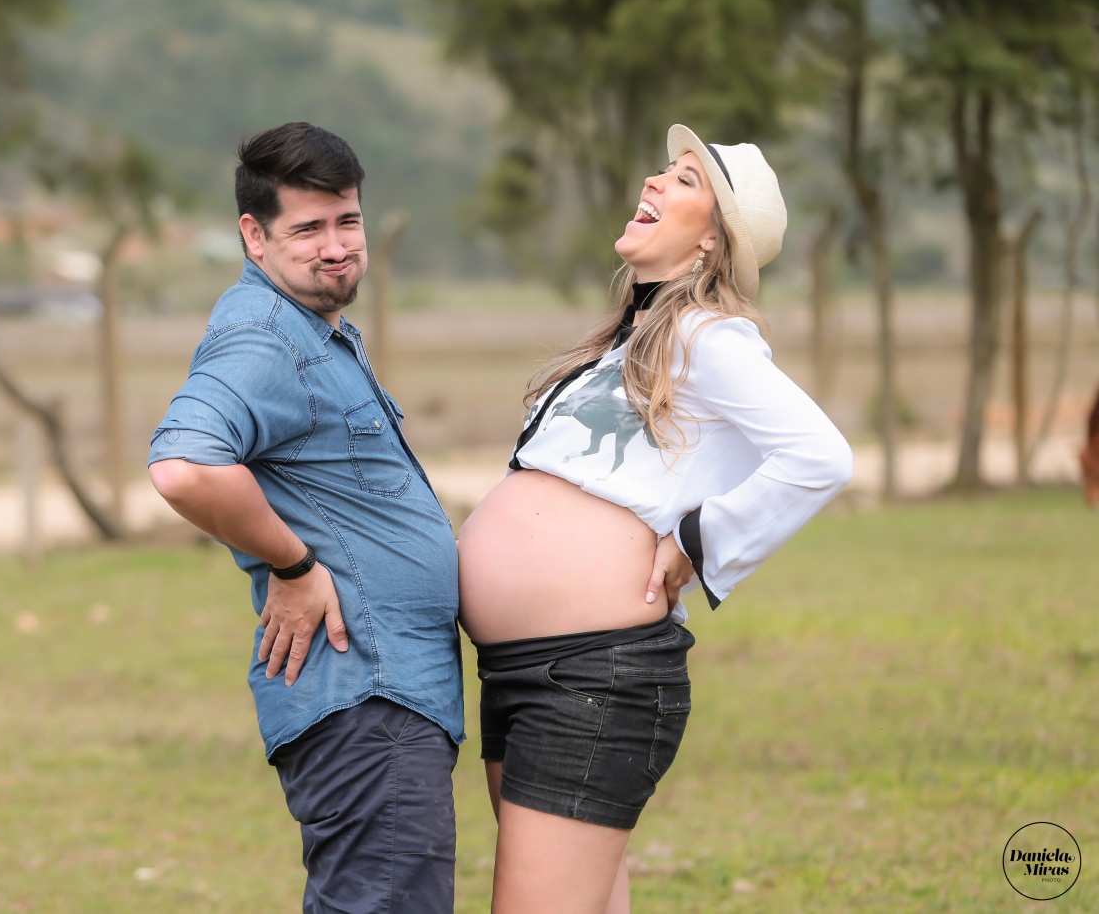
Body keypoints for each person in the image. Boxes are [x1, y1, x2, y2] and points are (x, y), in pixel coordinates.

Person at [457, 124, 854, 914]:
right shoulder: (620, 346)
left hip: (590, 676)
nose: (654, 181)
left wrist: (700, 541)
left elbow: (821, 456)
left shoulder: (710, 336)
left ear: (712, 239)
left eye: (685, 180)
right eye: (664, 170)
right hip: (522, 669)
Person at [147, 122, 463, 913]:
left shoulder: (310, 331)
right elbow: (184, 467)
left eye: (348, 220)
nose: (337, 246)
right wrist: (293, 564)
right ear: (254, 236)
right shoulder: (266, 338)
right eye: (308, 228)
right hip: (367, 696)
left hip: (385, 698)